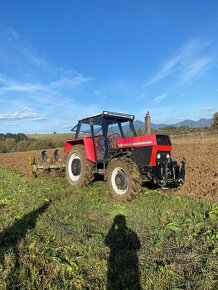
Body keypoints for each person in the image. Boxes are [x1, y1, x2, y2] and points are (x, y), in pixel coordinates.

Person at [104, 215, 141, 290]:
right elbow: (138, 246)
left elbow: (106, 241)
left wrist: (112, 226)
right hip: (129, 264)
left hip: (117, 261)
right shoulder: (132, 233)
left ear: (116, 223)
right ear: (125, 222)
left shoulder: (115, 232)